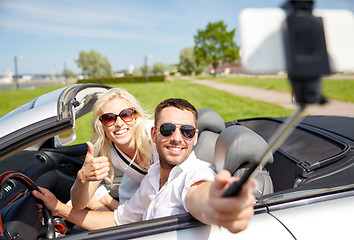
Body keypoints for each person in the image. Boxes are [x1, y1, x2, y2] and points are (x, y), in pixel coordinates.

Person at [33, 98, 257, 233]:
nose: (178, 138)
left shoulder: (195, 174)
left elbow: (199, 196)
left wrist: (220, 205)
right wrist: (59, 207)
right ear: (154, 133)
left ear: (195, 137)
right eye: (168, 129)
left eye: (187, 132)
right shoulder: (152, 177)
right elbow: (117, 220)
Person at [70, 88, 154, 211]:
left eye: (125, 114)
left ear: (135, 116)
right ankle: (102, 198)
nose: (119, 123)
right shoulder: (106, 150)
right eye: (109, 118)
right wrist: (82, 177)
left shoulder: (156, 134)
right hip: (136, 195)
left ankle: (102, 198)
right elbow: (78, 205)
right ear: (101, 125)